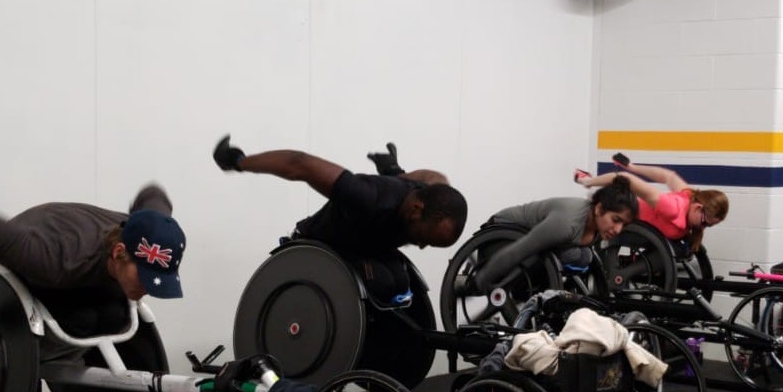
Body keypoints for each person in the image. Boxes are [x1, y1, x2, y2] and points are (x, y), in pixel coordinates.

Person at [213, 135, 468, 304]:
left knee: (402, 285)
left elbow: (436, 176)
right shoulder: (366, 197)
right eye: (424, 239)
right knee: (384, 284)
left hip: (370, 246)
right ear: (415, 210)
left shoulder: (431, 193)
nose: (421, 246)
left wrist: (396, 174)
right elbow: (299, 164)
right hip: (326, 246)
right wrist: (239, 162)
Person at [0, 184, 186, 349]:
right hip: (11, 275)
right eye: (145, 277)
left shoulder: (150, 231)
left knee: (114, 315)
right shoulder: (52, 259)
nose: (149, 288)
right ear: (119, 252)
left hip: (68, 261)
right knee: (86, 319)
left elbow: (153, 193)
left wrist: (147, 221)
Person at [467, 176, 639, 294]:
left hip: (527, 248)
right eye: (616, 220)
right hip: (499, 241)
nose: (617, 229)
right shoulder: (566, 224)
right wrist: (478, 282)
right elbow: (519, 250)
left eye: (623, 224)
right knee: (572, 255)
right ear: (599, 208)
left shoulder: (599, 227)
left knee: (583, 256)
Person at [576, 159, 729, 254]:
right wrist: (588, 182)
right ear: (697, 208)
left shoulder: (690, 197)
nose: (702, 228)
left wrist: (633, 166)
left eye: (708, 226)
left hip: (645, 234)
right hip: (627, 224)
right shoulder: (673, 208)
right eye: (704, 223)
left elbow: (668, 176)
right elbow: (624, 179)